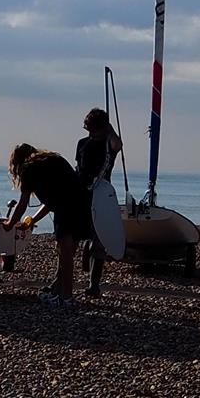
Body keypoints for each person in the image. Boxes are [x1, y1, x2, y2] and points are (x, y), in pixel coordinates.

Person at [3, 143, 91, 307]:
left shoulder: (29, 168)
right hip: (83, 203)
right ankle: (59, 291)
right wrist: (32, 221)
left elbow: (22, 204)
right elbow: (50, 202)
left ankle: (66, 297)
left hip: (66, 207)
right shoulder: (53, 159)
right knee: (68, 252)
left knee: (65, 252)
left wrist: (9, 224)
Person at [76, 107, 123, 298]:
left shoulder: (108, 143)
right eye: (89, 130)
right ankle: (86, 250)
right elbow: (79, 168)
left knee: (100, 239)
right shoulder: (82, 143)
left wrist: (109, 129)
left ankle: (94, 285)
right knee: (81, 234)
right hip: (82, 192)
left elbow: (118, 144)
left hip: (102, 194)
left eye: (95, 130)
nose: (92, 134)